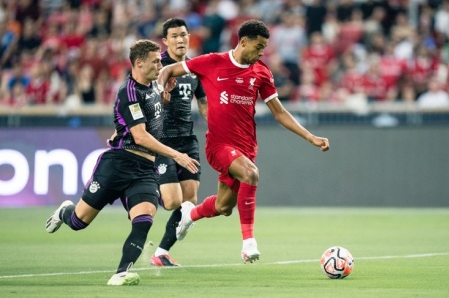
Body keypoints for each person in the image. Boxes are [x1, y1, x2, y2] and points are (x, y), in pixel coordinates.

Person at [157, 19, 330, 264]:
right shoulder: (212, 62)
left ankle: (189, 215)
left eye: (264, 48)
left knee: (224, 206)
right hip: (218, 146)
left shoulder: (261, 72)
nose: (261, 53)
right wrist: (162, 88)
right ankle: (248, 243)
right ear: (244, 41)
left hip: (246, 147)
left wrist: (310, 137)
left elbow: (279, 112)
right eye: (258, 47)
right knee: (251, 174)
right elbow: (168, 70)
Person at [45, 39, 199, 285]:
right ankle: (65, 211)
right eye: (156, 61)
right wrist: (176, 154)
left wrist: (166, 97)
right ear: (139, 63)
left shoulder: (153, 87)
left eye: (160, 61)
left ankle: (121, 273)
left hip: (145, 169)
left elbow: (153, 112)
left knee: (145, 217)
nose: (161, 64)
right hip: (117, 164)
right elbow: (140, 136)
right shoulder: (128, 92)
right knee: (78, 222)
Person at [150, 18, 208, 267]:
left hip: (187, 139)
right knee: (173, 201)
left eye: (183, 35)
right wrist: (159, 99)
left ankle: (161, 252)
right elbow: (143, 101)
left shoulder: (196, 66)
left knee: (189, 199)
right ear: (165, 41)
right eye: (174, 36)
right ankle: (150, 184)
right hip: (162, 141)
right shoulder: (156, 66)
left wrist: (215, 124)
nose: (180, 39)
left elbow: (203, 101)